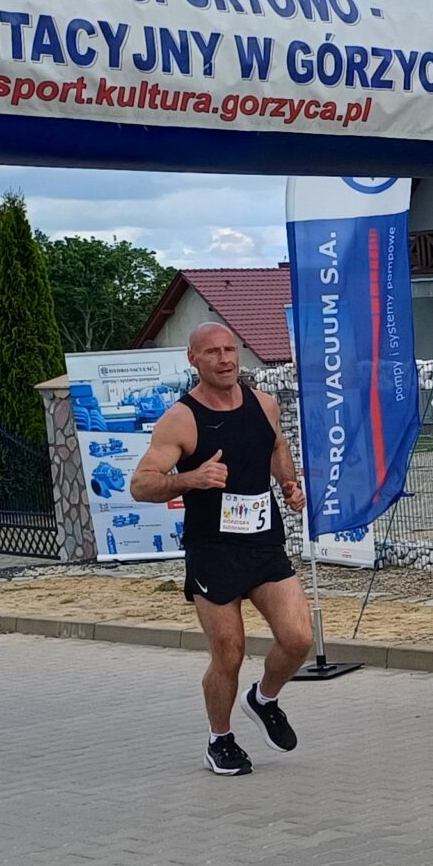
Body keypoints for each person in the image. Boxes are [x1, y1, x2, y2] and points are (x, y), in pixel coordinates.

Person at [130, 324, 315, 775]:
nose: (225, 359)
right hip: (213, 549)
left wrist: (288, 483)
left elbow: (276, 445)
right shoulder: (181, 419)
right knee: (229, 652)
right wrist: (191, 479)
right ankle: (220, 740)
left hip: (263, 542)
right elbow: (141, 484)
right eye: (212, 352)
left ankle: (264, 699)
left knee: (298, 638)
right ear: (193, 359)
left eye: (230, 349)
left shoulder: (263, 404)